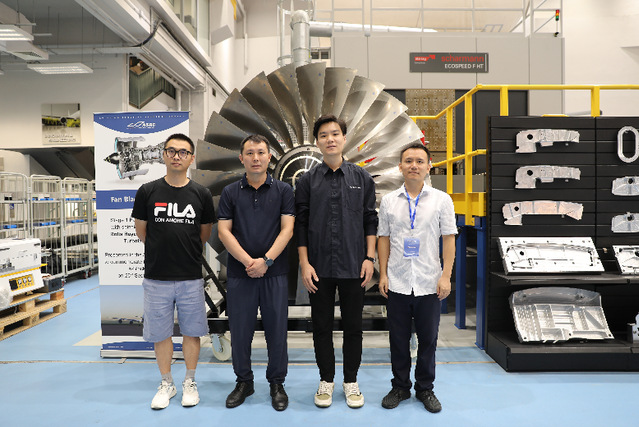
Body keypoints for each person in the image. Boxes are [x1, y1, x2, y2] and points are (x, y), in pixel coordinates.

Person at [295, 114, 378, 409]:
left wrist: (369, 258)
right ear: (317, 143)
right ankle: (326, 380)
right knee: (321, 327)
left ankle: (351, 381)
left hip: (354, 265)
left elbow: (370, 220)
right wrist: (304, 264)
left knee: (354, 326)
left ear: (344, 138)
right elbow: (301, 224)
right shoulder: (307, 181)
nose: (330, 139)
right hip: (318, 267)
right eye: (323, 135)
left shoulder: (361, 178)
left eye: (334, 134)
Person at [132, 133, 215, 410]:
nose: (177, 156)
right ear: (163, 155)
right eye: (171, 151)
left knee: (192, 332)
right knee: (160, 334)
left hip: (190, 276)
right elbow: (142, 232)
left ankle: (190, 381)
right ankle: (166, 382)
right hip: (157, 277)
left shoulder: (201, 194)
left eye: (183, 152)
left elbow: (204, 234)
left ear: (191, 158)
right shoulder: (147, 191)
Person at [377, 143, 457, 413]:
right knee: (398, 340)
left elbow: (449, 239)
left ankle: (425, 388)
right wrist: (383, 273)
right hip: (398, 281)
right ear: (400, 166)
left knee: (428, 340)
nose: (414, 165)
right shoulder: (389, 201)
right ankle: (400, 386)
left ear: (429, 166)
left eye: (420, 161)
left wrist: (446, 276)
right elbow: (384, 239)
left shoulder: (442, 200)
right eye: (409, 161)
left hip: (429, 283)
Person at [217, 134, 295, 411]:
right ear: (242, 158)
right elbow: (224, 231)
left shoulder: (284, 191)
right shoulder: (230, 192)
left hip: (275, 273)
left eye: (261, 152)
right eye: (250, 153)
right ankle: (244, 382)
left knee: (277, 332)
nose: (256, 158)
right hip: (241, 275)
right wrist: (249, 261)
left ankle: (277, 383)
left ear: (269, 157)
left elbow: (288, 229)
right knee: (240, 332)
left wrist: (266, 261)